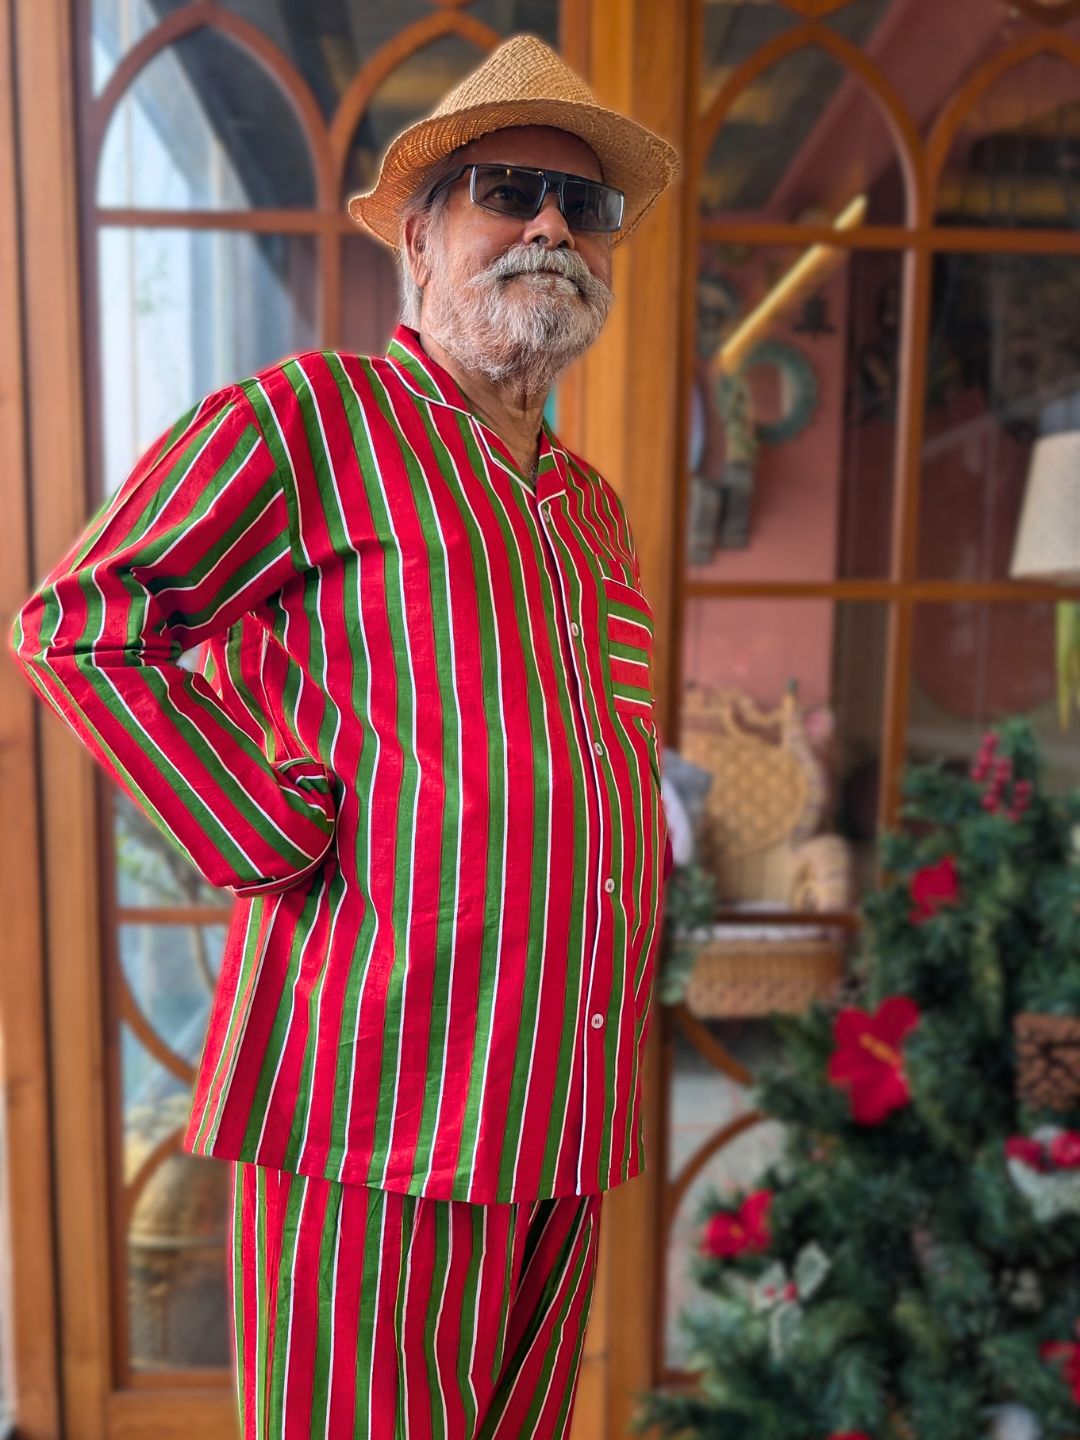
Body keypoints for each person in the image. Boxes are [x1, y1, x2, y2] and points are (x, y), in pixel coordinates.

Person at [9, 32, 678, 1440]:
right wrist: (265, 830)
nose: (553, 225)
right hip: (375, 1098)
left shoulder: (594, 506)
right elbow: (79, 623)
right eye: (508, 190)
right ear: (420, 242)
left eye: (586, 207)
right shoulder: (309, 418)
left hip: (564, 1101)